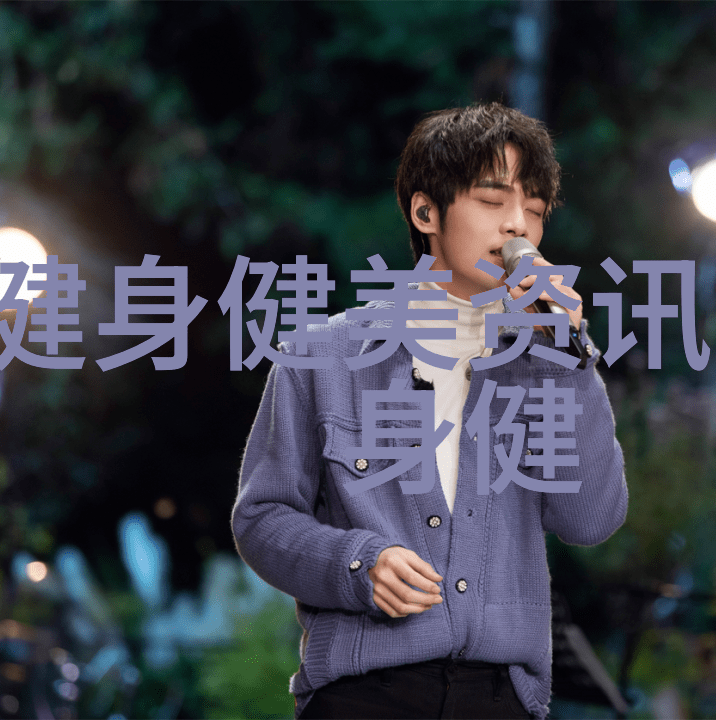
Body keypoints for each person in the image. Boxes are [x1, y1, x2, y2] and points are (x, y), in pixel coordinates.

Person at [232, 102, 628, 719]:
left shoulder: (545, 361)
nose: (517, 228)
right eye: (492, 201)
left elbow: (592, 520)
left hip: (500, 700)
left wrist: (568, 356)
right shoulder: (322, 356)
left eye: (534, 211)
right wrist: (357, 564)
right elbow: (261, 519)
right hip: (363, 697)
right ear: (426, 213)